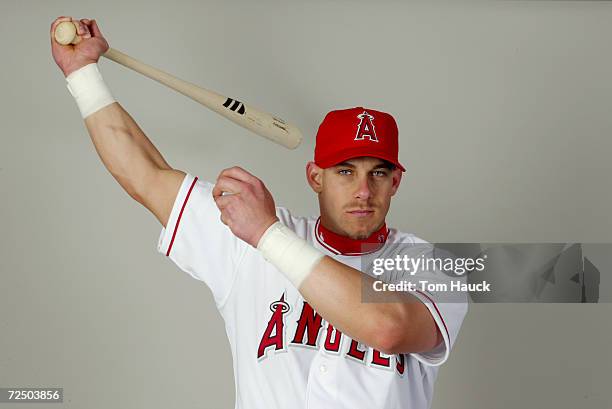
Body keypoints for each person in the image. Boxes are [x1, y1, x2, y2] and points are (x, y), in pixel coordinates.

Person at [50, 16, 468, 409]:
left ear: (396, 182)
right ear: (315, 177)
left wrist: (268, 235)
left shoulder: (430, 264)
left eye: (379, 173)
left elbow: (389, 329)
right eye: (345, 171)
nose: (363, 190)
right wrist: (83, 77)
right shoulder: (248, 240)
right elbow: (147, 176)